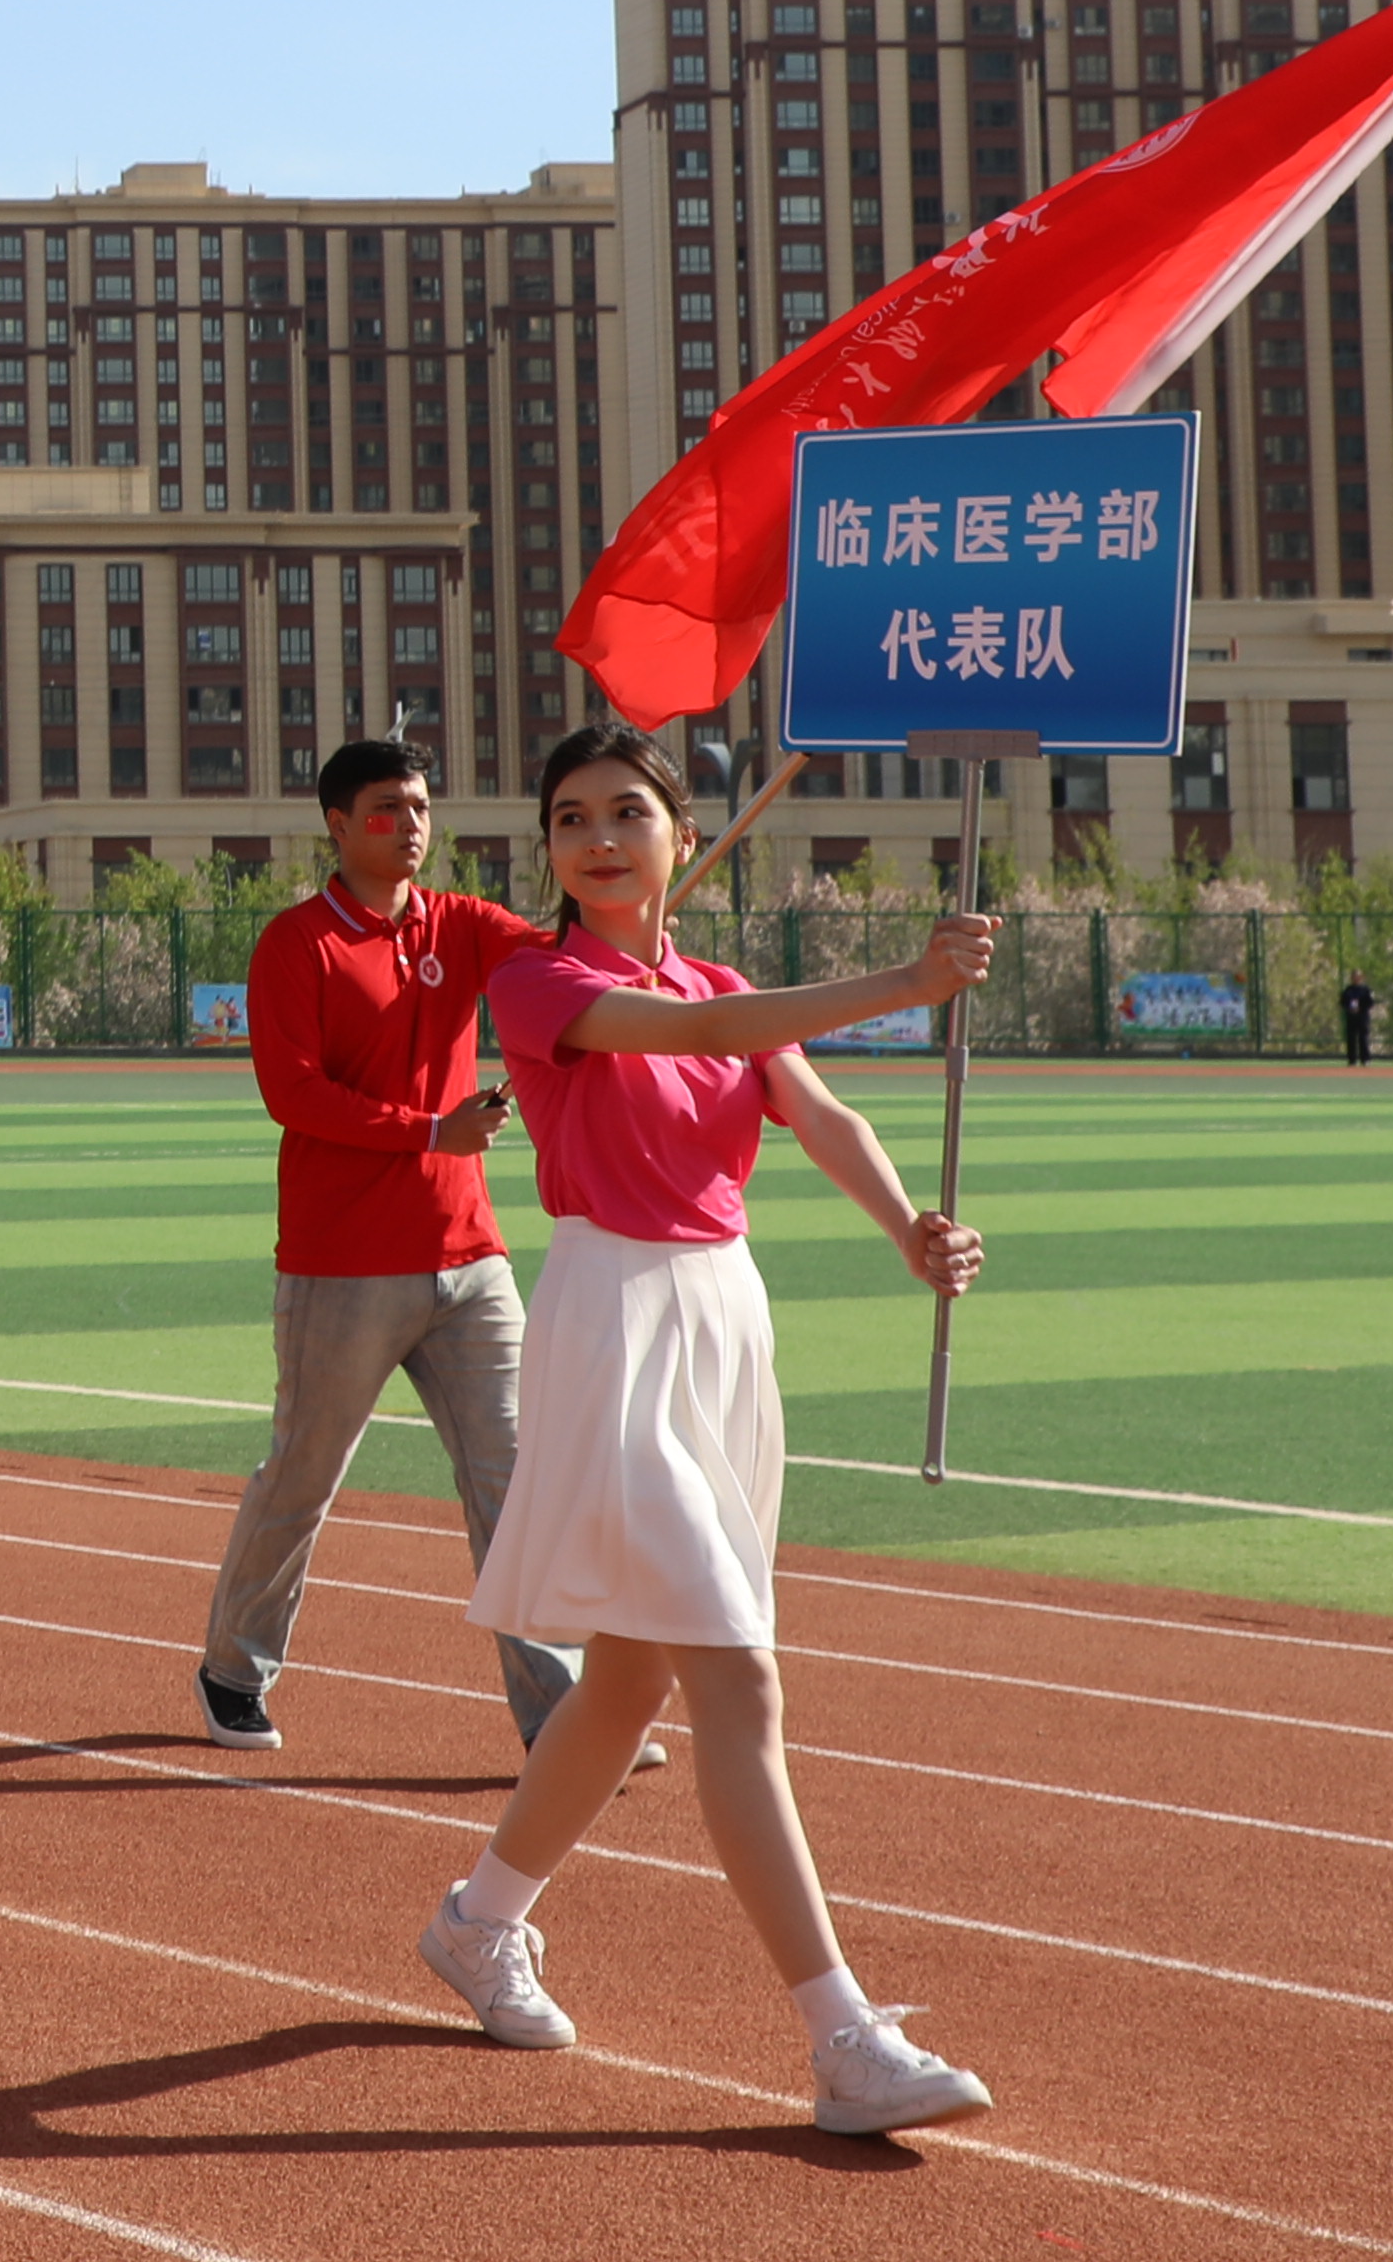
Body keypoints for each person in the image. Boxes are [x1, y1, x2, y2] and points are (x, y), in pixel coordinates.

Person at [414, 720, 1002, 2137]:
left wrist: (908, 1228)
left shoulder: (720, 979)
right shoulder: (539, 981)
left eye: (628, 811)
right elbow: (694, 1039)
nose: (599, 838)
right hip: (613, 1322)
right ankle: (842, 2037)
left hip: (724, 1324)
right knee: (737, 1680)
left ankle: (480, 1921)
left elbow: (820, 1110)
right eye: (570, 818)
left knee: (627, 1678)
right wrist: (903, 981)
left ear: (682, 835)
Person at [194, 741, 580, 1758]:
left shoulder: (463, 923)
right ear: (335, 824)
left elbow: (558, 958)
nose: (409, 824)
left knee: (517, 1479)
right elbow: (294, 1094)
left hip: (471, 1258)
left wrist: (631, 912)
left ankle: (563, 1714)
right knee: (303, 1477)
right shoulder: (297, 945)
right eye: (384, 809)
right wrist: (430, 1131)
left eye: (418, 806)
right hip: (342, 1265)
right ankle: (234, 1667)